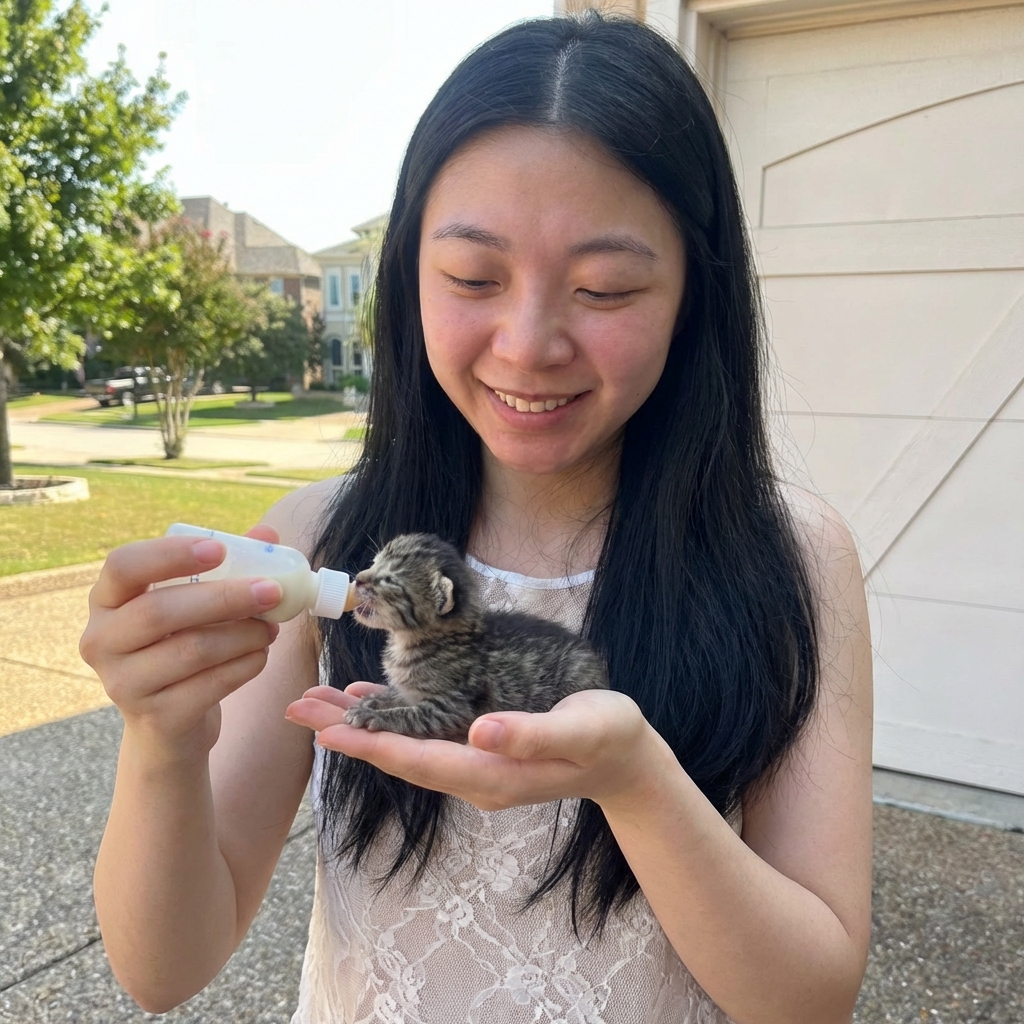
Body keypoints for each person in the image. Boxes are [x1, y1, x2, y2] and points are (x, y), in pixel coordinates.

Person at [83, 12, 873, 1024]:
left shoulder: (790, 560)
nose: (528, 341)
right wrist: (159, 738)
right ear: (408, 278)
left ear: (694, 294)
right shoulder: (323, 544)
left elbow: (809, 999)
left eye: (604, 287)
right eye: (472, 278)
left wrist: (636, 785)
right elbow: (162, 969)